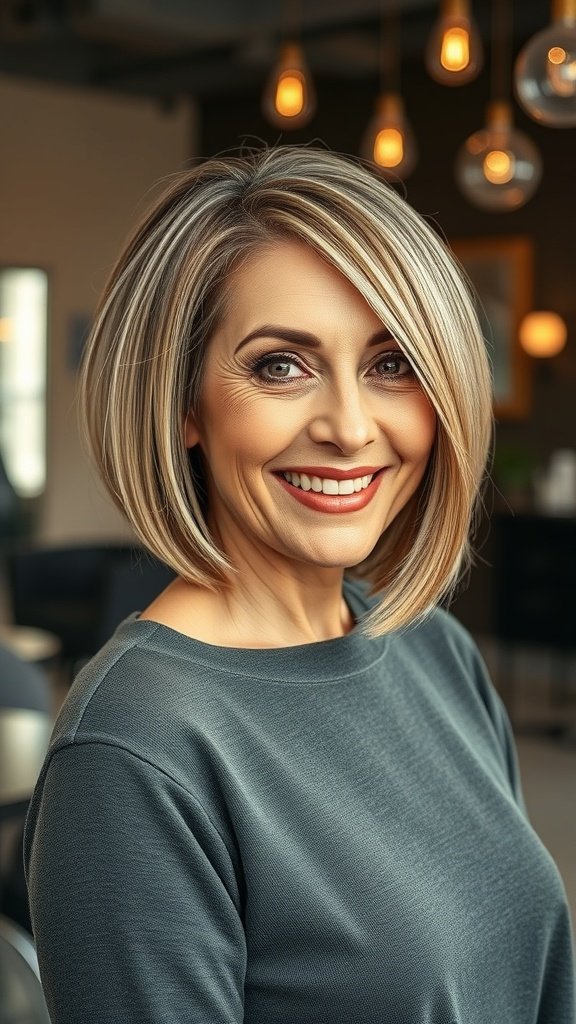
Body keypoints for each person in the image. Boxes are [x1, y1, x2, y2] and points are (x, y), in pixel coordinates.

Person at [24, 146, 574, 1023]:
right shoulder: (135, 752)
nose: (351, 428)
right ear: (185, 405)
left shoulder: (432, 646)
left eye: (391, 364)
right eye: (282, 364)